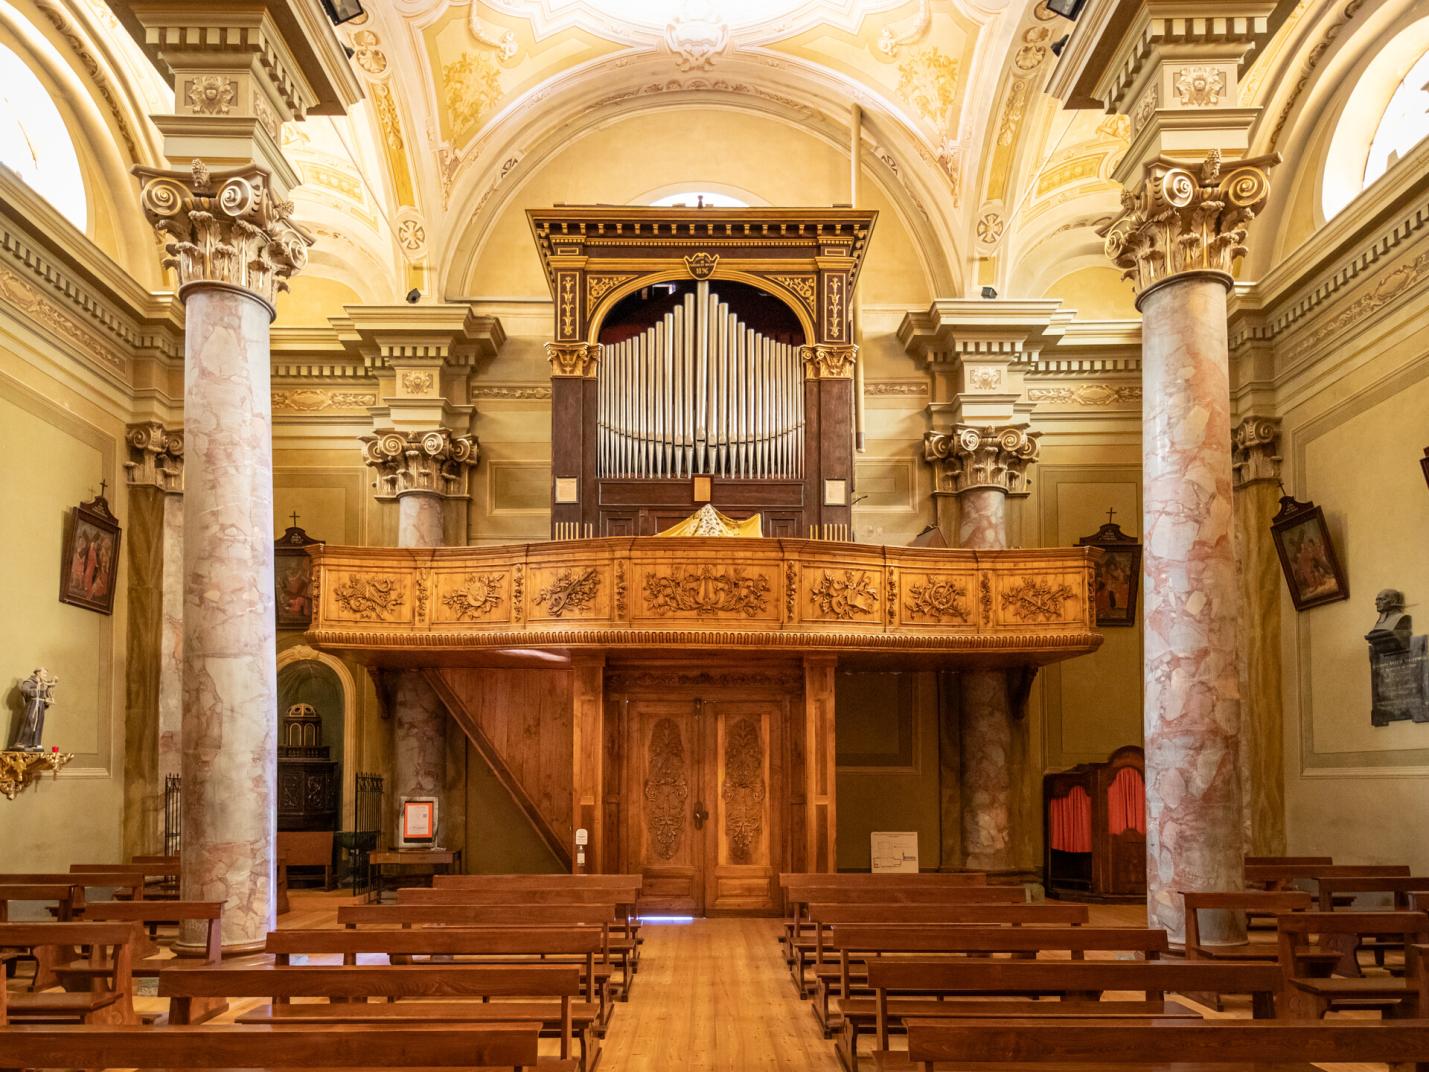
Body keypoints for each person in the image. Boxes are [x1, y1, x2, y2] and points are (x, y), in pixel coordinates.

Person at [13, 668, 58, 751]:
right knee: (29, 721)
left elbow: (45, 695)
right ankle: (22, 742)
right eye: (44, 673)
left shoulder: (43, 684)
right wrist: (37, 691)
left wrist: (47, 701)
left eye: (46, 674)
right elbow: (24, 690)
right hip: (32, 705)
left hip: (40, 706)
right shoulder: (29, 682)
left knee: (39, 724)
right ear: (38, 673)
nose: (45, 676)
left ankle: (35, 743)